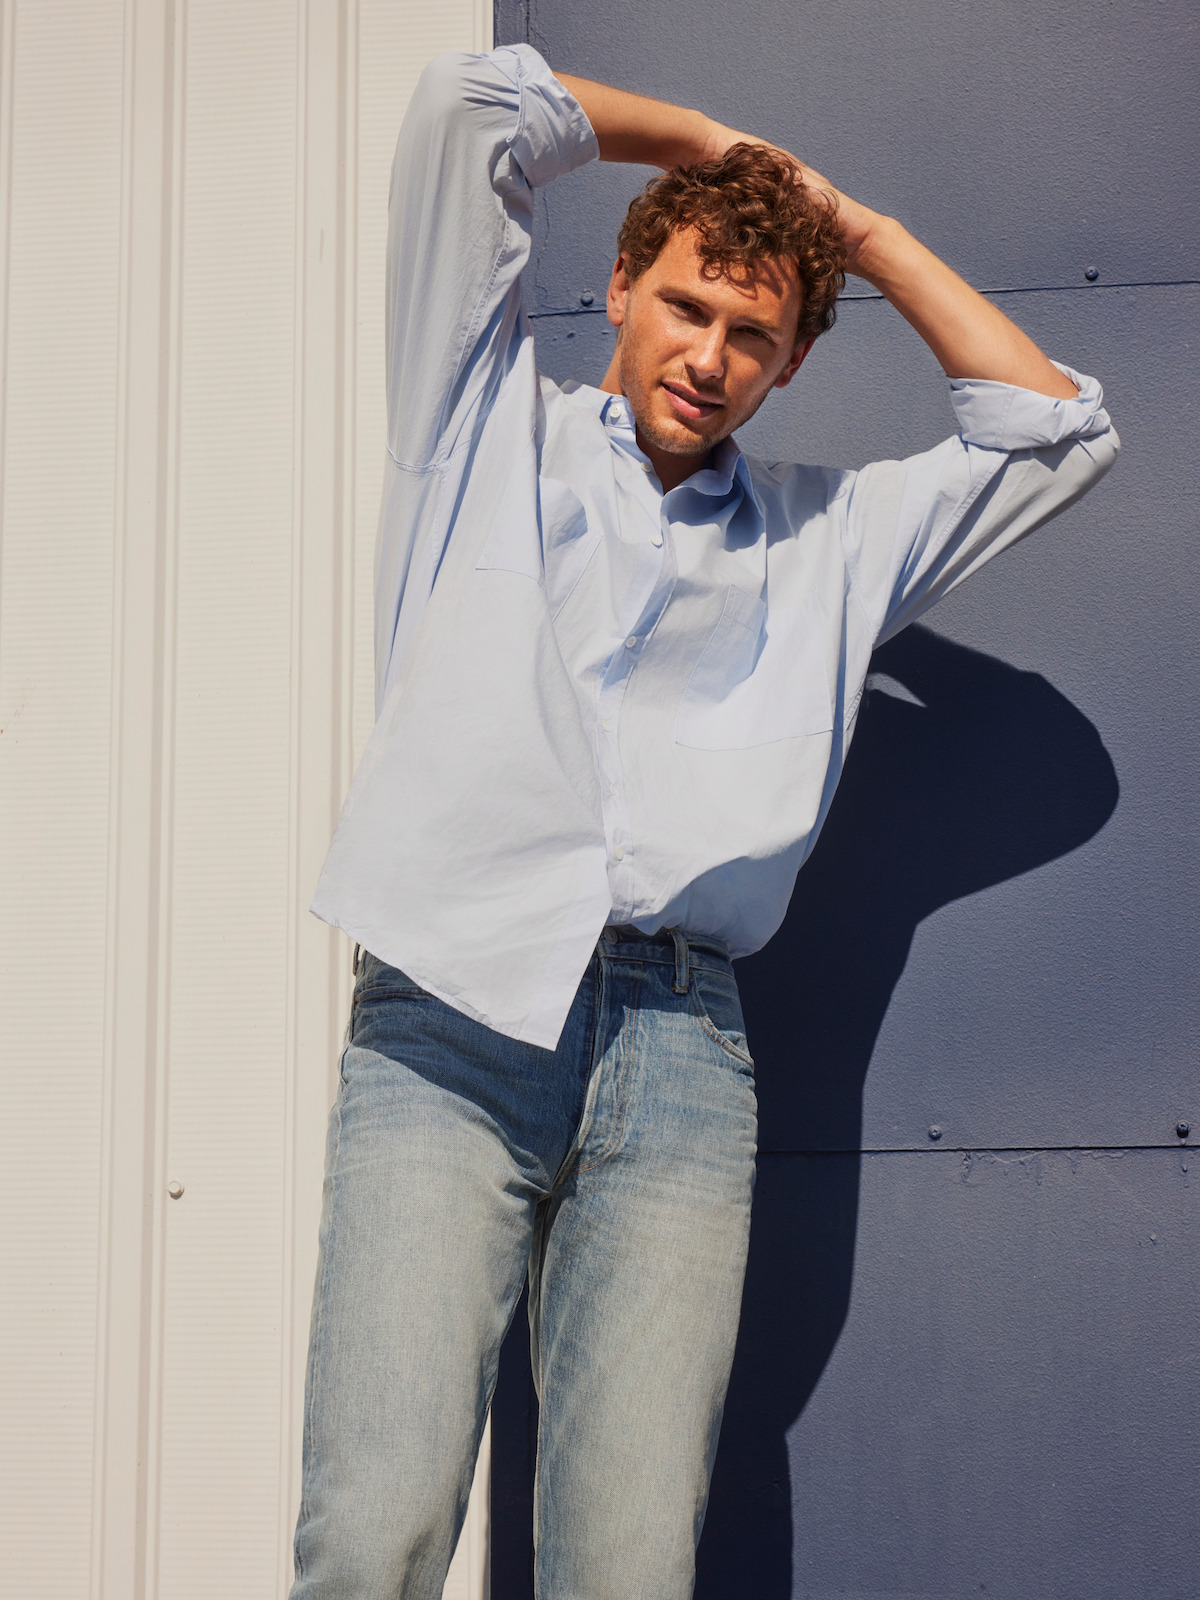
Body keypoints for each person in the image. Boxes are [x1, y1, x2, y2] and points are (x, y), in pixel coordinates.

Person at [291, 43, 1117, 1600]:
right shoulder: (480, 436)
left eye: (755, 331)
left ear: (790, 361)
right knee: (375, 1535)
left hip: (683, 1058)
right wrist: (730, 147)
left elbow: (1057, 431)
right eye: (687, 303)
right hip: (450, 1023)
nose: (711, 354)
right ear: (619, 289)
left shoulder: (830, 538)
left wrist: (848, 232)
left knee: (630, 1567)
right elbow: (475, 114)